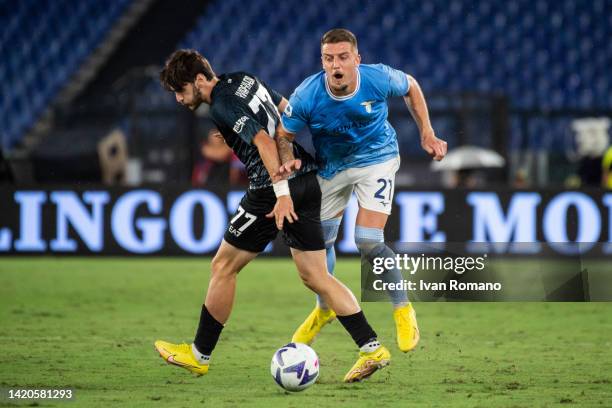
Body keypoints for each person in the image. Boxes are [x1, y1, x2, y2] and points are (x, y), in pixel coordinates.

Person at [154, 49, 391, 382]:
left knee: (223, 266)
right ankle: (372, 348)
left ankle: (198, 355)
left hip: (272, 188)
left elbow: (265, 143)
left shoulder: (222, 102)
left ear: (198, 80)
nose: (179, 99)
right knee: (317, 277)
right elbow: (286, 111)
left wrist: (281, 196)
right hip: (307, 178)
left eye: (180, 90)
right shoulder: (244, 78)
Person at [276, 28, 447, 352]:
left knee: (368, 240)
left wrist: (427, 131)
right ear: (322, 61)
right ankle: (324, 308)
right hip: (332, 167)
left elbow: (411, 85)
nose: (336, 65)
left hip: (377, 159)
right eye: (329, 59)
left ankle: (402, 308)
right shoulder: (307, 95)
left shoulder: (378, 78)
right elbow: (284, 135)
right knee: (319, 242)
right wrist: (288, 161)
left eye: (343, 57)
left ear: (357, 59)